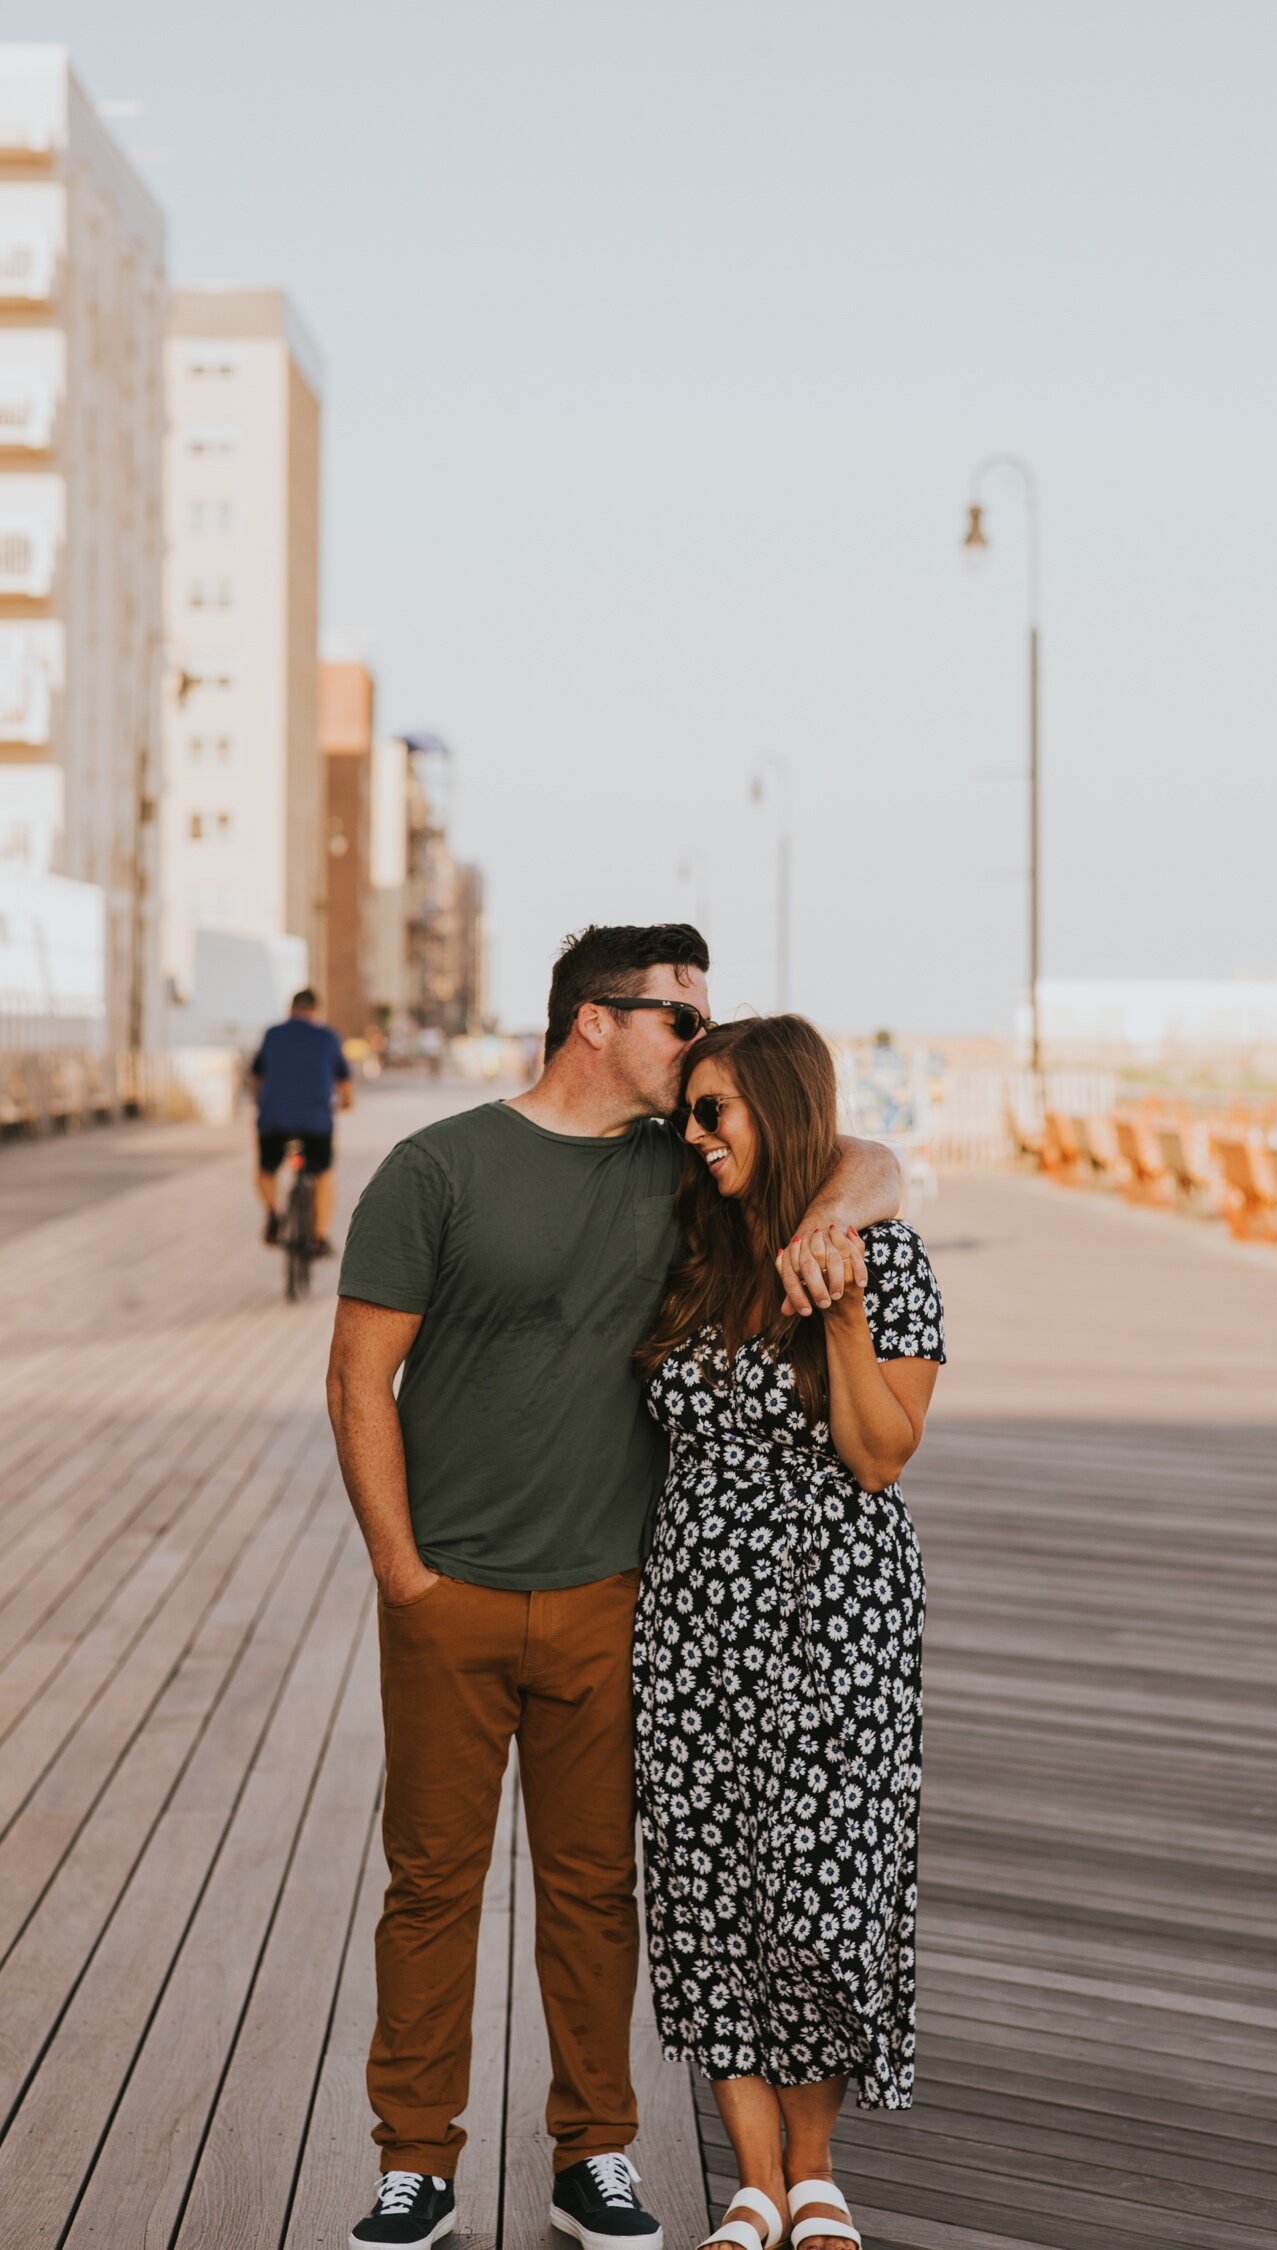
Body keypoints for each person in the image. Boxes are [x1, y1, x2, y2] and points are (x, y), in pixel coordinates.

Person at [325, 925, 901, 2250]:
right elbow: (361, 1378)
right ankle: (415, 2161)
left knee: (593, 1889)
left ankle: (595, 2152)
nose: (700, 1049)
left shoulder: (685, 1170)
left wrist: (831, 1209)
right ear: (596, 1020)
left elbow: (869, 1159)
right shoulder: (440, 1167)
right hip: (449, 1590)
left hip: (612, 1594)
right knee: (431, 1885)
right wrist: (402, 1569)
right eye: (680, 1021)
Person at [632, 1015, 943, 2250]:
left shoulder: (889, 1258)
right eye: (686, 1115)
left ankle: (818, 2166)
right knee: (708, 1889)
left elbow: (879, 1454)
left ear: (778, 1107)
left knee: (822, 1890)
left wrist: (845, 1304)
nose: (696, 1137)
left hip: (839, 1614)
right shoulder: (690, 1250)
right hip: (697, 1612)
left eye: (718, 1114)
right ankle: (756, 2182)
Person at [250, 987, 354, 1256]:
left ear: (291, 1009)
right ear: (316, 1010)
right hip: (315, 1121)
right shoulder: (328, 1037)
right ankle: (319, 1237)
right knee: (322, 1174)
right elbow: (345, 1084)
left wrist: (261, 1101)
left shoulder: (272, 1034)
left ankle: (273, 1212)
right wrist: (345, 1104)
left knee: (266, 1169)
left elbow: (255, 1078)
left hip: (274, 1118)